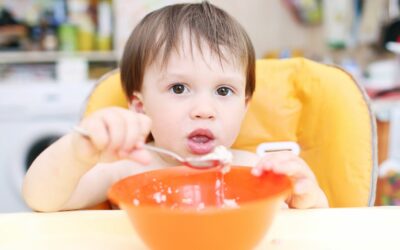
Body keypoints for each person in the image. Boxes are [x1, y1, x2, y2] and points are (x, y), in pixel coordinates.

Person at [22, 1, 328, 212]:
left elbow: (319, 229)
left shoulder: (256, 170)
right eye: (179, 88)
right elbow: (42, 200)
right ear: (139, 107)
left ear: (245, 105)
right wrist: (78, 150)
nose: (204, 110)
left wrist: (310, 199)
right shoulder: (125, 170)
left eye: (224, 90)